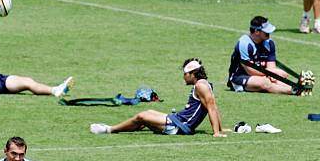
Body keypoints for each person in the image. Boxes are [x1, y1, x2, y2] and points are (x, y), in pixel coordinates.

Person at [90, 58, 226, 137]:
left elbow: (211, 108)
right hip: (178, 120)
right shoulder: (204, 84)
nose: (183, 76)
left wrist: (216, 133)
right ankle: (132, 126)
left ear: (192, 73)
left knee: (141, 116)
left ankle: (109, 129)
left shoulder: (201, 86)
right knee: (148, 113)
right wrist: (220, 129)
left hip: (180, 126)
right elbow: (213, 106)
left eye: (185, 73)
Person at [227, 16, 302, 95]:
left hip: (262, 74)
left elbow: (271, 67)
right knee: (265, 82)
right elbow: (250, 70)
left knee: (277, 78)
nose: (269, 33)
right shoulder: (244, 44)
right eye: (266, 32)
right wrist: (273, 73)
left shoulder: (269, 43)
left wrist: (274, 74)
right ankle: (294, 91)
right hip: (240, 77)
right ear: (256, 31)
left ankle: (298, 88)